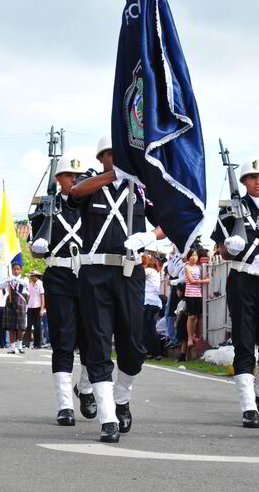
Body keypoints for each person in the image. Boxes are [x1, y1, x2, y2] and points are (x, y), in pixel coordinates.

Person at [68, 136, 163, 443]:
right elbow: (74, 193)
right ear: (102, 157)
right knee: (97, 342)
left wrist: (148, 237)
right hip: (95, 271)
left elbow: (166, 220)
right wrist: (112, 175)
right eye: (111, 154)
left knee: (134, 345)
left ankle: (122, 395)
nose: (117, 157)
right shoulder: (91, 181)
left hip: (129, 271)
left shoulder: (141, 186)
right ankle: (108, 417)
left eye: (121, 153)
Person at [212, 156, 259, 429]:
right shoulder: (230, 210)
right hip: (242, 277)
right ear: (243, 181)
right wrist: (231, 246)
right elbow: (222, 249)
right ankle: (248, 405)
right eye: (253, 177)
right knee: (244, 342)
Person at [30, 156, 98, 425]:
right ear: (59, 179)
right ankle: (64, 405)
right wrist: (38, 245)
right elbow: (37, 247)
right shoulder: (46, 207)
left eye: (80, 175)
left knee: (93, 338)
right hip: (58, 275)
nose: (76, 179)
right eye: (70, 175)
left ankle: (86, 388)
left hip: (90, 275)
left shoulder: (94, 204)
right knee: (63, 340)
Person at [181, 248, 209, 360]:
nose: (194, 257)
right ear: (188, 257)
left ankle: (192, 336)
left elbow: (198, 280)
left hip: (198, 294)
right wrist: (204, 281)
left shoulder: (199, 267)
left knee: (196, 316)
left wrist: (204, 279)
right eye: (192, 255)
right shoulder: (187, 267)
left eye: (195, 255)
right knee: (191, 316)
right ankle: (189, 338)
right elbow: (191, 281)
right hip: (190, 294)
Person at [1, 262, 29, 354]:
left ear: (20, 270)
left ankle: (20, 346)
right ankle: (12, 348)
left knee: (20, 326)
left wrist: (14, 278)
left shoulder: (24, 278)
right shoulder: (10, 279)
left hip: (21, 303)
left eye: (18, 269)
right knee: (11, 326)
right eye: (14, 269)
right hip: (10, 302)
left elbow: (25, 284)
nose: (16, 271)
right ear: (12, 270)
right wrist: (6, 281)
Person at [24, 271, 45, 350]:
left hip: (38, 306)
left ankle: (37, 344)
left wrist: (42, 308)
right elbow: (29, 295)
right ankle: (26, 343)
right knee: (28, 325)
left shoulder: (40, 284)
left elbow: (42, 297)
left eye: (33, 276)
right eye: (31, 276)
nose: (32, 277)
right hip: (30, 306)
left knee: (37, 326)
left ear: (37, 276)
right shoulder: (30, 284)